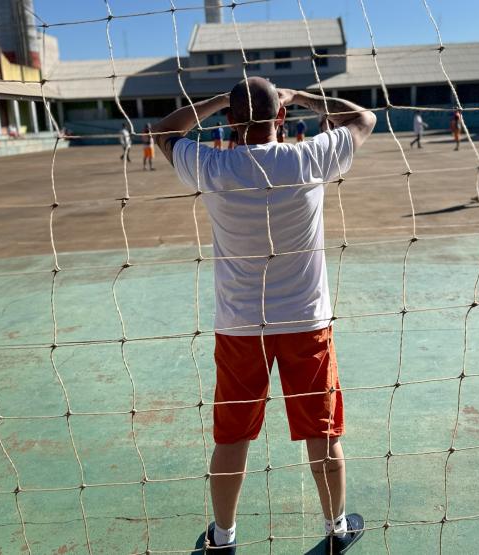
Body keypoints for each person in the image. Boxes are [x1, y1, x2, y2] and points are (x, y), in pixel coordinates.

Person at [151, 76, 375, 554]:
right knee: (323, 431)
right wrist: (302, 98)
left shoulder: (212, 164)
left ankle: (224, 538)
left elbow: (163, 130)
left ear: (231, 120)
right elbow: (363, 119)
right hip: (307, 323)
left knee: (232, 437)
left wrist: (218, 103)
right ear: (281, 119)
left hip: (239, 328)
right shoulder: (309, 156)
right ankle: (336, 529)